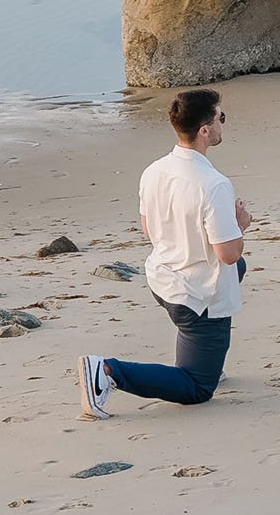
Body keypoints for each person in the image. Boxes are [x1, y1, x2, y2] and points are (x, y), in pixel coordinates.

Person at [78, 88, 249, 418]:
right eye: (220, 118)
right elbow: (227, 253)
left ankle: (206, 360)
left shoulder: (154, 170)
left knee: (238, 269)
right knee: (198, 388)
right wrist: (240, 224)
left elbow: (148, 228)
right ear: (204, 130)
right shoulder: (214, 184)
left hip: (163, 280)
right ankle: (107, 371)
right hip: (198, 297)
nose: (222, 125)